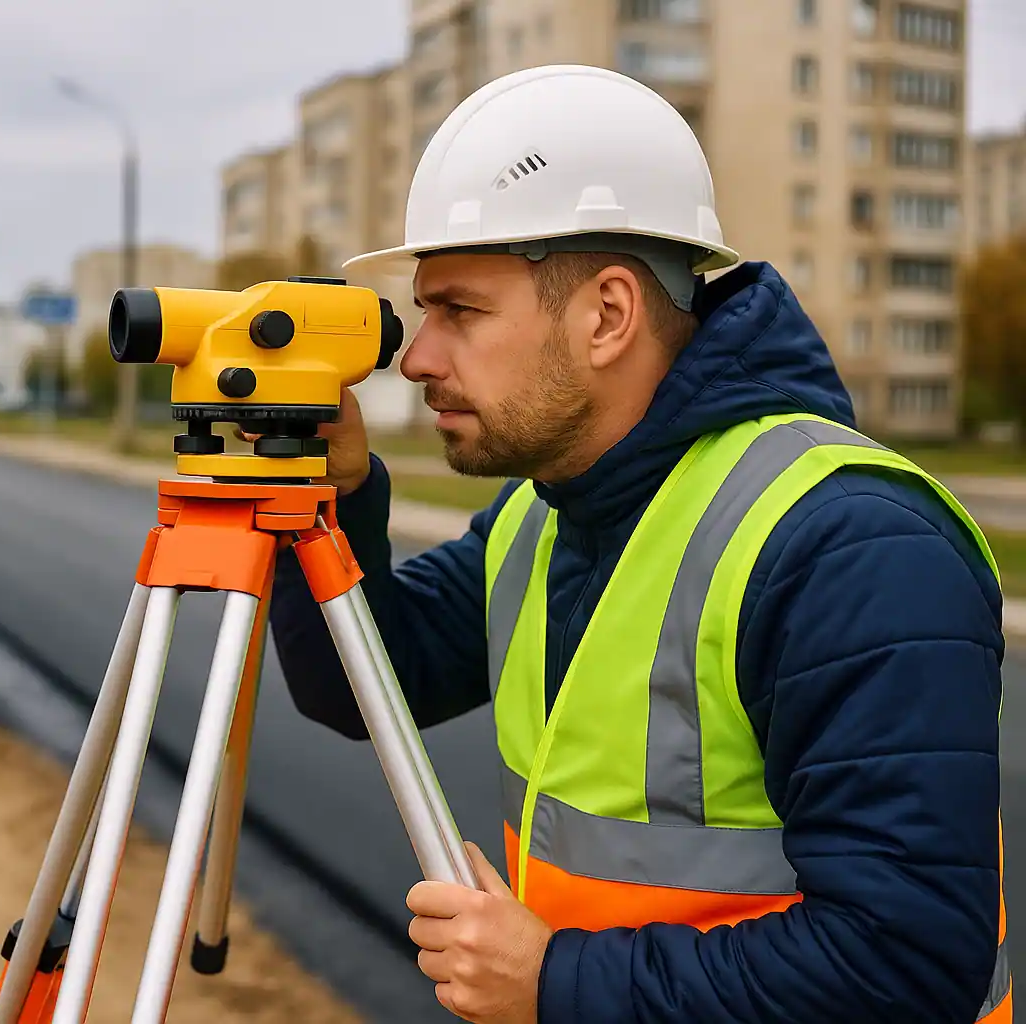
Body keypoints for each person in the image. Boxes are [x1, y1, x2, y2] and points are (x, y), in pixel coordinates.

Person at [264, 64, 1010, 1023]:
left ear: (608, 315)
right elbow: (362, 681)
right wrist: (335, 500)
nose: (415, 359)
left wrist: (554, 982)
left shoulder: (849, 548)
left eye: (459, 311)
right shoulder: (549, 516)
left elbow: (903, 964)